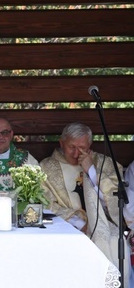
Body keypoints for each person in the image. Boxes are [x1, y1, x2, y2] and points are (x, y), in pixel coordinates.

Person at [40, 122, 130, 286]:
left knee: (117, 244)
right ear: (61, 143)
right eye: (71, 147)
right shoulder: (47, 167)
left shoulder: (104, 163)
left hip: (106, 225)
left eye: (82, 148)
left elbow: (116, 199)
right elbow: (46, 203)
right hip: (68, 227)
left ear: (90, 145)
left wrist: (91, 170)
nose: (76, 153)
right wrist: (79, 223)